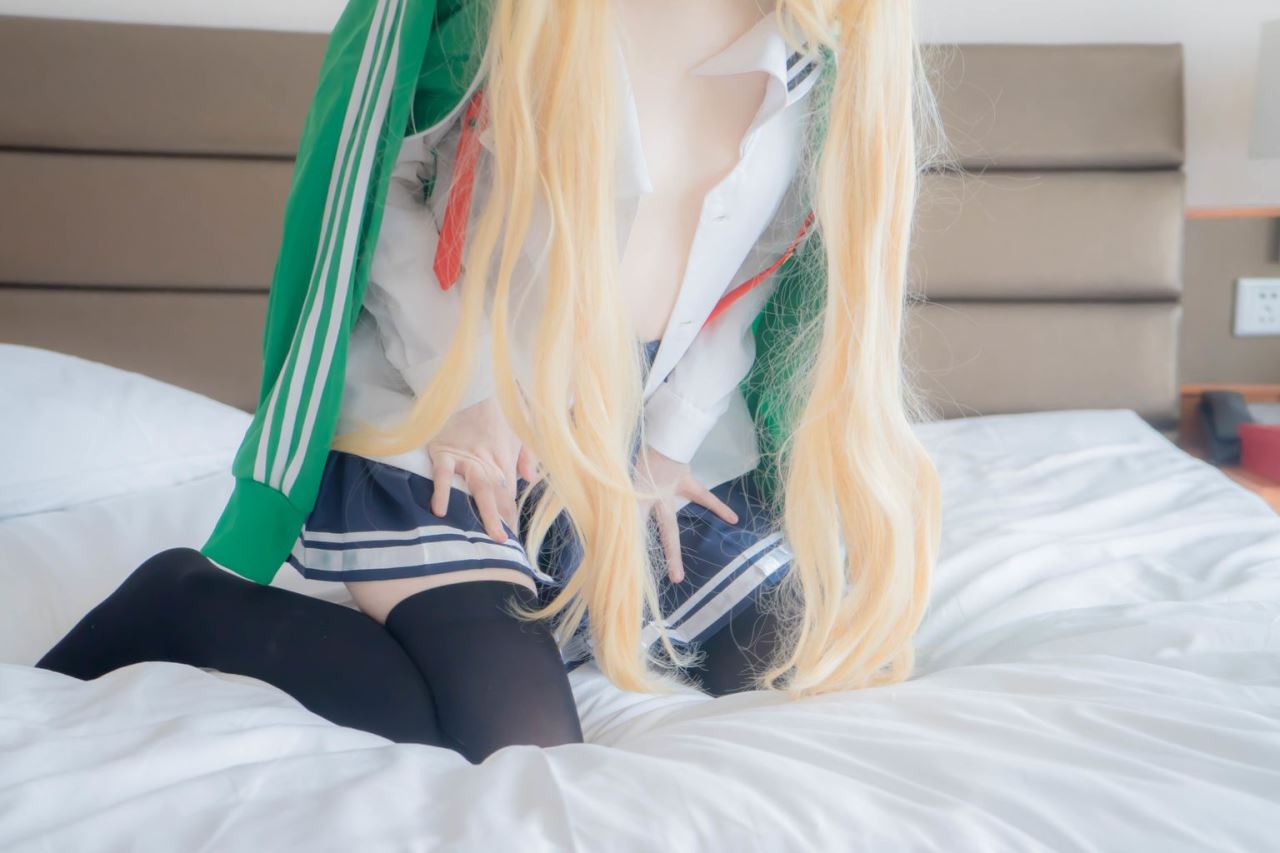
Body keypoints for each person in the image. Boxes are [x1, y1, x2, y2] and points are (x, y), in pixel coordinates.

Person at [37, 0, 945, 764]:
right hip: (442, 409)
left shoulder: (822, 40)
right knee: (516, 741)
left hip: (627, 433)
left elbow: (765, 254)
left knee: (802, 675)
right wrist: (465, 391)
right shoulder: (503, 15)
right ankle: (188, 602)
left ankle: (558, 604)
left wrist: (670, 440)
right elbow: (380, 185)